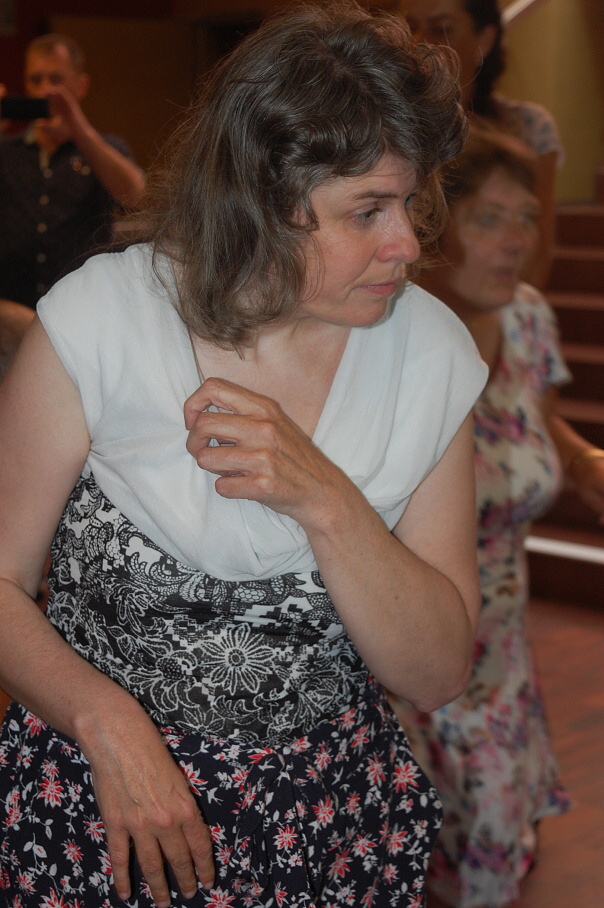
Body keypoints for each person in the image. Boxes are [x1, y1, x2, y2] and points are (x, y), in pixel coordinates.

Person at [0, 4, 488, 907]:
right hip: (103, 816)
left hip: (326, 826)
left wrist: (326, 500)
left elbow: (438, 672)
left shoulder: (430, 355)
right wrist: (104, 720)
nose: (409, 244)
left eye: (411, 202)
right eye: (368, 211)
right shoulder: (101, 323)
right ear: (261, 200)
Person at [392, 132, 604, 908]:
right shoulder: (384, 339)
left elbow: (536, 422)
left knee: (489, 860)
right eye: (489, 219)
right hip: (405, 664)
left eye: (526, 218)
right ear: (431, 229)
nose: (517, 240)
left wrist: (584, 460)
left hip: (502, 656)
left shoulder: (528, 320)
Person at [400, 0, 563, 289]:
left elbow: (535, 261)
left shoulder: (527, 128)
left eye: (441, 29)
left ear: (484, 40)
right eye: (410, 28)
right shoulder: (388, 126)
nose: (419, 42)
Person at [0, 33, 145, 309]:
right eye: (35, 80)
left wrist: (79, 130)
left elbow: (138, 197)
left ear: (81, 85)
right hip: (12, 308)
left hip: (82, 306)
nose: (45, 90)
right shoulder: (6, 150)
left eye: (56, 80)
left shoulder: (106, 149)